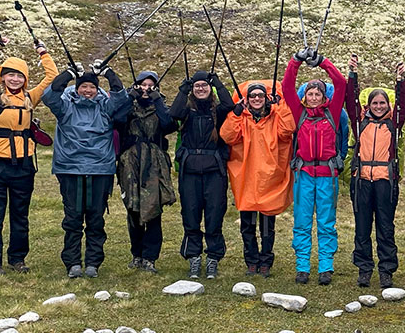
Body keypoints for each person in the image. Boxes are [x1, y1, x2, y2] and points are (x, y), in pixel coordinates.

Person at [0, 34, 58, 274]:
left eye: (19, 75)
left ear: (25, 79)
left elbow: (52, 77)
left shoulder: (30, 97)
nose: (15, 79)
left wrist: (43, 52)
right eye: (10, 74)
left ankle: (18, 259)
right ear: (2, 76)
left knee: (21, 215)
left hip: (24, 166)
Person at [42, 65, 131, 278]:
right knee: (72, 217)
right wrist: (69, 74)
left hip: (100, 169)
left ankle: (93, 262)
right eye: (83, 87)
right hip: (70, 168)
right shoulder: (64, 106)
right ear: (76, 88)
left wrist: (108, 72)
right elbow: (49, 95)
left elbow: (121, 96)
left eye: (92, 87)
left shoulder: (105, 106)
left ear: (98, 90)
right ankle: (72, 262)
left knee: (96, 218)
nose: (88, 90)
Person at [282, 48, 348, 285]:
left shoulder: (333, 110)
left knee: (326, 221)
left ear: (323, 96)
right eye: (310, 94)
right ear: (305, 96)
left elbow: (340, 82)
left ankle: (326, 267)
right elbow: (287, 86)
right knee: (301, 220)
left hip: (327, 175)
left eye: (317, 94)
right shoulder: (299, 112)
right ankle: (302, 267)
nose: (313, 97)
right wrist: (295, 61)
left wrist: (323, 63)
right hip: (304, 174)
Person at [344, 54, 405, 289]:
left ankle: (386, 270)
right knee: (362, 227)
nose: (379, 106)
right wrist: (352, 74)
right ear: (368, 105)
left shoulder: (395, 122)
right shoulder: (359, 122)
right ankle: (364, 269)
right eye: (375, 103)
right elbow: (350, 101)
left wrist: (400, 80)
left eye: (382, 103)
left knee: (385, 226)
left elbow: (403, 101)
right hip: (361, 180)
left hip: (385, 182)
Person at [219, 80, 295, 277]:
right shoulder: (239, 117)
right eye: (252, 96)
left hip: (270, 178)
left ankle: (266, 261)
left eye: (260, 96)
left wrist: (281, 106)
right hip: (246, 178)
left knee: (268, 226)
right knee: (248, 225)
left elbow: (287, 131)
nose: (256, 99)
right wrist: (235, 114)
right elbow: (227, 136)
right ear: (247, 99)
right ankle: (251, 261)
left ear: (266, 97)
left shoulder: (275, 115)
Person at [169, 70, 234, 280]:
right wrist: (182, 90)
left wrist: (218, 83)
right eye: (197, 86)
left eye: (204, 85)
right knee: (191, 214)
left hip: (215, 170)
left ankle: (213, 258)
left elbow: (230, 104)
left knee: (215, 214)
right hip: (190, 171)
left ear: (210, 88)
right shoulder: (187, 110)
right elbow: (173, 114)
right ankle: (194, 257)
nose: (201, 88)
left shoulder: (219, 111)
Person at [114, 70, 176, 273]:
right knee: (133, 208)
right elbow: (117, 120)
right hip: (130, 162)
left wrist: (157, 101)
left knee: (153, 208)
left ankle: (150, 257)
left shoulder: (161, 106)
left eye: (151, 85)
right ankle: (137, 254)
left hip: (154, 163)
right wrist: (130, 97)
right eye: (143, 84)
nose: (146, 88)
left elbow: (169, 125)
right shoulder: (129, 106)